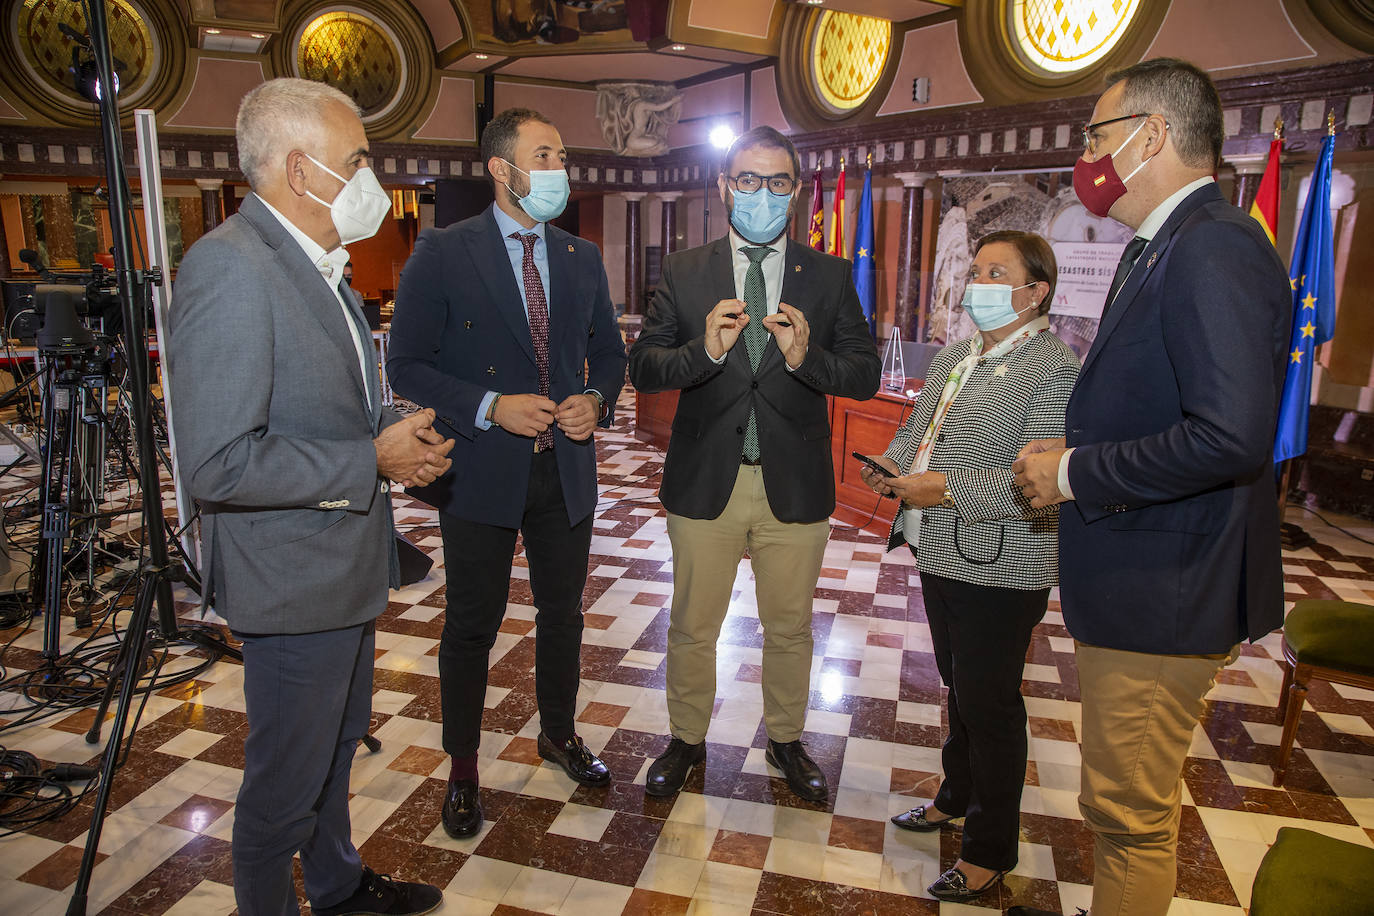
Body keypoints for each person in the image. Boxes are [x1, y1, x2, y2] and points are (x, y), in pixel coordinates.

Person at [1010, 58, 1291, 916]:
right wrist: (1082, 440)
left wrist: (1072, 472)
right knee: (1117, 804)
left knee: (1131, 817)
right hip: (1143, 577)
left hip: (1166, 588)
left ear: (1152, 135)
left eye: (1097, 135)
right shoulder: (1169, 240)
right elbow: (1170, 401)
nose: (1087, 156)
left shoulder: (1213, 244)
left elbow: (1229, 435)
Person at [168, 78, 452, 916]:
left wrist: (397, 432)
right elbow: (218, 462)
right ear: (302, 169)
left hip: (342, 569)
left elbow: (324, 406)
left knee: (333, 753)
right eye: (358, 160)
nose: (372, 176)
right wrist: (368, 459)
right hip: (291, 581)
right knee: (283, 785)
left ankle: (335, 884)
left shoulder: (317, 265)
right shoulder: (231, 266)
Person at [386, 108, 627, 839]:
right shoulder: (443, 252)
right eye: (545, 154)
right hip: (481, 471)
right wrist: (491, 405)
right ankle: (463, 767)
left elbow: (610, 356)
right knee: (471, 625)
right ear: (502, 168)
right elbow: (407, 364)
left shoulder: (582, 257)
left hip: (566, 472)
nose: (560, 168)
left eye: (561, 154)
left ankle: (558, 733)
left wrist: (595, 400)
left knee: (564, 616)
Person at [628, 126, 881, 803]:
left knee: (791, 626)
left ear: (794, 193)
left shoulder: (826, 275)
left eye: (776, 182)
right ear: (723, 187)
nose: (760, 194)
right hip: (706, 480)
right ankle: (685, 741)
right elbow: (645, 366)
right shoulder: (686, 270)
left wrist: (808, 360)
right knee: (691, 624)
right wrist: (703, 353)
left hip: (792, 485)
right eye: (747, 180)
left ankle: (788, 741)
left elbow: (863, 374)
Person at [858, 230, 1079, 902]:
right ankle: (955, 795)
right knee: (959, 686)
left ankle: (989, 850)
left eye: (995, 272)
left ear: (1035, 291)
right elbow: (920, 426)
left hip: (1003, 562)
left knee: (991, 705)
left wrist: (945, 488)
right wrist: (894, 466)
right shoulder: (960, 354)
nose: (975, 283)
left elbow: (1035, 481)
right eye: (976, 270)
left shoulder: (1055, 368)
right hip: (942, 550)